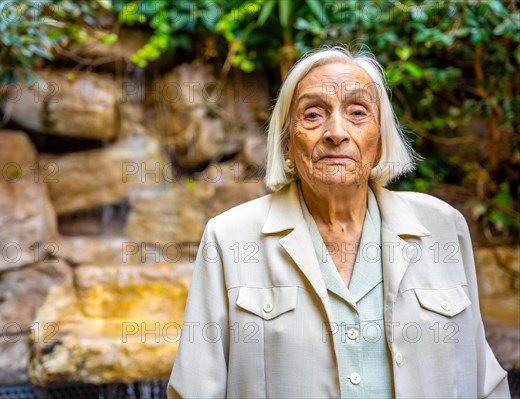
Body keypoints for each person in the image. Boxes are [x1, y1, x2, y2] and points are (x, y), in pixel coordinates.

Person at [166, 47, 510, 398]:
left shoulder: (442, 227)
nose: (336, 132)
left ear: (379, 140)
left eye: (357, 112)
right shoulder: (229, 238)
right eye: (313, 115)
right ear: (286, 143)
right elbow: (194, 389)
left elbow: (483, 382)